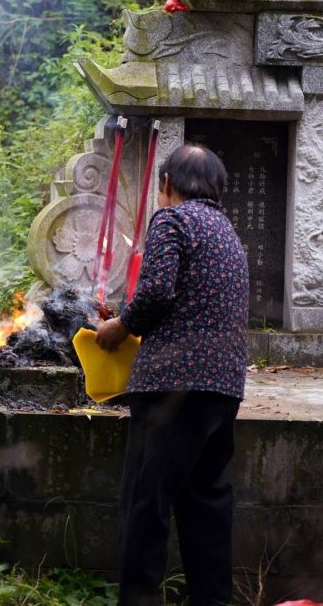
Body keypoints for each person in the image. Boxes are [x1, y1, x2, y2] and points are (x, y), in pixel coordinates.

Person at [96, 144, 249, 606]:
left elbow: (157, 291)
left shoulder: (172, 220)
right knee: (207, 504)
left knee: (146, 505)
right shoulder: (229, 233)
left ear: (166, 183)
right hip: (224, 387)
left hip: (173, 386)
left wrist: (121, 327)